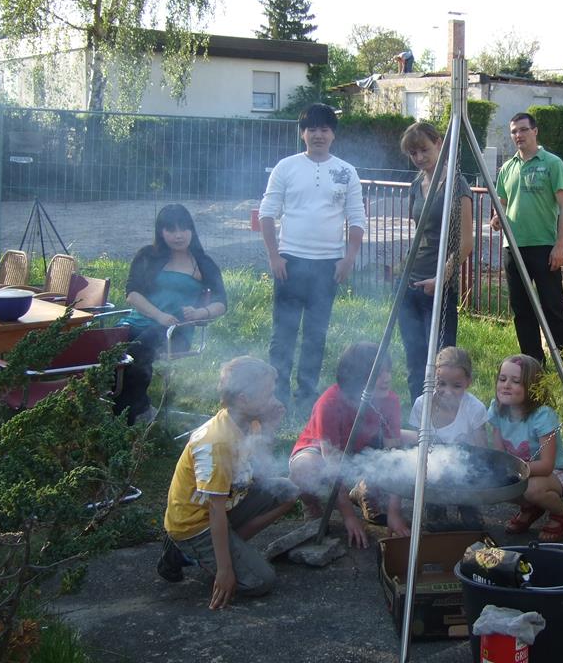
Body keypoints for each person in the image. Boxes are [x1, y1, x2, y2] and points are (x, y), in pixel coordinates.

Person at [158, 356, 298, 610]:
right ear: (244, 399)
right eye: (268, 394)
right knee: (261, 581)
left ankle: (229, 549)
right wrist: (225, 571)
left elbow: (262, 467)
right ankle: (187, 554)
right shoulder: (217, 442)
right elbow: (215, 510)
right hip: (195, 523)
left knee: (287, 491)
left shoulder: (250, 421)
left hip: (229, 501)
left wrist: (270, 427)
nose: (274, 399)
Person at [258, 103, 366, 407]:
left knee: (316, 334)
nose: (318, 135)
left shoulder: (346, 172)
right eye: (312, 129)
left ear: (333, 134)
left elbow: (357, 218)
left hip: (328, 265)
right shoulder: (286, 167)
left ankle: (306, 394)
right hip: (290, 262)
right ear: (302, 133)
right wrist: (274, 256)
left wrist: (348, 257)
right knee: (283, 333)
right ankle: (277, 396)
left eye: (324, 129)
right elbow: (267, 213)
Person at [289, 341, 410, 548]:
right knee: (304, 469)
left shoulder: (390, 400)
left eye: (388, 371)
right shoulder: (329, 402)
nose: (387, 378)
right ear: (356, 377)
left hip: (361, 449)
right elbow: (333, 465)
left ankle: (366, 491)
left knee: (416, 444)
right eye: (378, 373)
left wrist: (394, 512)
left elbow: (394, 457)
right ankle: (312, 506)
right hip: (321, 454)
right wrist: (349, 517)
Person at [116, 204, 227, 423]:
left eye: (184, 228)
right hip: (138, 321)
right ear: (161, 232)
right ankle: (136, 407)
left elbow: (222, 303)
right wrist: (158, 315)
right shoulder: (147, 255)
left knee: (135, 352)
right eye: (171, 229)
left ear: (192, 230)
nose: (178, 235)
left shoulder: (203, 263)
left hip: (175, 331)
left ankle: (125, 417)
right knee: (109, 350)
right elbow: (132, 293)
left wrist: (200, 312)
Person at [490, 112, 563, 364]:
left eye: (523, 130)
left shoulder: (552, 163)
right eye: (514, 131)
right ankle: (533, 365)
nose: (518, 135)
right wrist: (496, 218)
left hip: (544, 246)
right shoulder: (507, 168)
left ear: (535, 131)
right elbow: (502, 203)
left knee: (553, 308)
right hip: (513, 248)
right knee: (522, 311)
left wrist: (560, 244)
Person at [398, 121, 474, 401]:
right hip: (410, 281)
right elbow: (420, 231)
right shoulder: (416, 184)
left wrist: (440, 278)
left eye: (424, 150)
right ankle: (419, 413)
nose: (419, 157)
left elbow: (466, 243)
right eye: (413, 153)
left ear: (439, 144)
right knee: (414, 358)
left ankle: (442, 415)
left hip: (439, 285)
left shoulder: (456, 184)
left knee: (442, 363)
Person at [487, 353, 563, 542]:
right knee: (495, 483)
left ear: (532, 387)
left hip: (558, 472)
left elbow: (546, 465)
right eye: (502, 379)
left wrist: (513, 470)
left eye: (515, 381)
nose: (506, 385)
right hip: (523, 470)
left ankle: (561, 515)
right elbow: (500, 454)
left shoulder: (541, 416)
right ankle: (531, 508)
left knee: (530, 490)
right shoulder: (497, 409)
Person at [403, 346, 488, 530]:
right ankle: (434, 506)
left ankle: (468, 504)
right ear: (433, 379)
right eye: (441, 384)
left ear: (468, 382)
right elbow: (416, 443)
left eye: (456, 386)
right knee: (432, 477)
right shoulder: (422, 404)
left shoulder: (474, 409)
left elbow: (481, 450)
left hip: (464, 468)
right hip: (432, 467)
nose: (447, 391)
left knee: (472, 521)